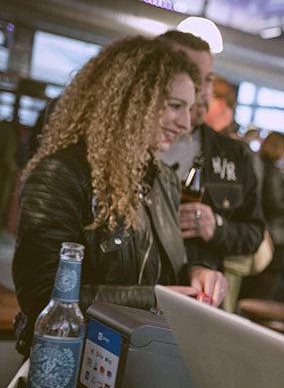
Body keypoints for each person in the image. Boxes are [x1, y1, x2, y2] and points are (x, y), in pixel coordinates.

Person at [13, 36, 227, 353]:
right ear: (132, 99)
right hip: (67, 364)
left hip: (139, 361)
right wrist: (157, 297)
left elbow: (163, 268)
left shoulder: (164, 179)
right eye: (174, 106)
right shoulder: (62, 174)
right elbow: (41, 294)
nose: (184, 123)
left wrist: (196, 273)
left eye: (189, 109)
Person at [155, 31, 265, 286]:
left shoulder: (234, 154)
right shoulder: (127, 146)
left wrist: (215, 227)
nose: (204, 92)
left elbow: (254, 233)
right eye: (194, 77)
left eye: (208, 79)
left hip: (195, 296)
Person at [243, 131, 284, 302]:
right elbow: (275, 205)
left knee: (263, 276)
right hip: (274, 232)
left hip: (270, 230)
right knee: (266, 276)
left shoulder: (264, 166)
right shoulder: (272, 171)